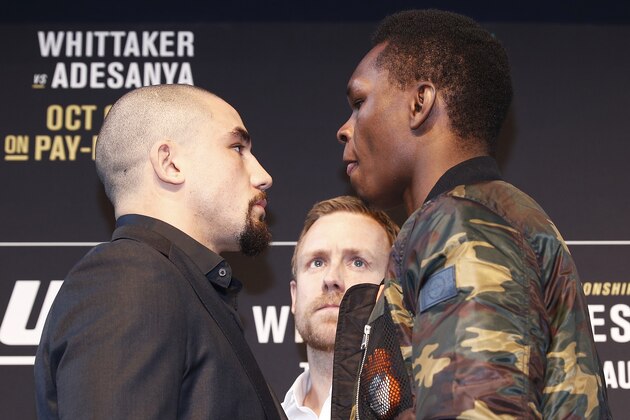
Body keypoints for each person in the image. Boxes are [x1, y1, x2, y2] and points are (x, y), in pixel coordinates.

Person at [335, 9, 611, 419]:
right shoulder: (472, 217)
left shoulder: (462, 225)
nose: (345, 127)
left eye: (360, 102)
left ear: (419, 103)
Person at [34, 84, 286, 419]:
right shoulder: (129, 277)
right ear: (170, 163)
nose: (263, 176)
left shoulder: (179, 285)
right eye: (237, 148)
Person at [282, 196, 399, 420]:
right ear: (294, 296)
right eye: (317, 262)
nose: (331, 278)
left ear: (389, 292)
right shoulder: (268, 412)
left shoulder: (425, 410)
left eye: (357, 262)